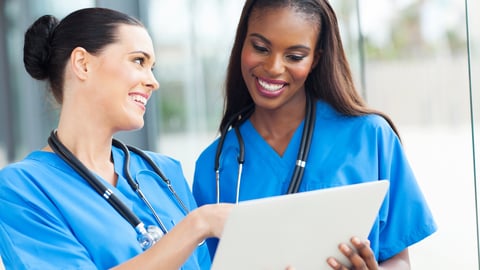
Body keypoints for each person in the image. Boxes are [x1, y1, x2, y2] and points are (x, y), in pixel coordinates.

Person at [192, 0, 437, 269]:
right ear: (242, 45)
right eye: (260, 48)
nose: (274, 67)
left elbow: (399, 259)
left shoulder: (370, 137)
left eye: (295, 56)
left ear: (315, 59)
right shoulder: (213, 167)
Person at [0, 7, 233, 270]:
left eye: (152, 67)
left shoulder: (163, 172)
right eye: (138, 61)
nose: (153, 82)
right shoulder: (23, 188)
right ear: (82, 64)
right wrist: (196, 226)